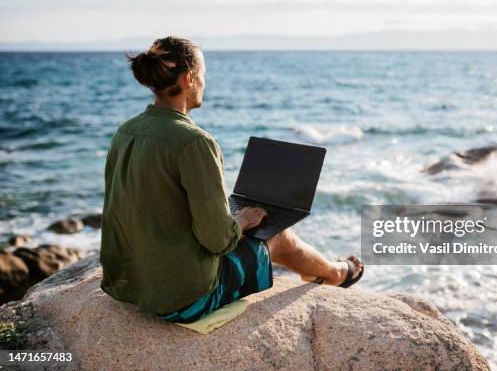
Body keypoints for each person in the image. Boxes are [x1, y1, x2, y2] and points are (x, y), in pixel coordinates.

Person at [100, 36, 364, 323]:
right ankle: (334, 273)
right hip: (185, 299)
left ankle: (319, 269)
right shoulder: (195, 142)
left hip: (130, 285)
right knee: (274, 234)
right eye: (203, 74)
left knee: (247, 223)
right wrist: (242, 221)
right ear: (189, 78)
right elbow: (218, 241)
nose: (204, 81)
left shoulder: (125, 131)